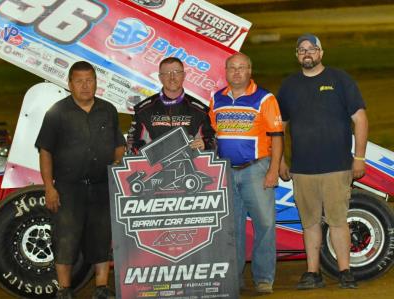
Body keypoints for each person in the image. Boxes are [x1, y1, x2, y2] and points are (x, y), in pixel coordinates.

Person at [277, 34, 368, 290]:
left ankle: (345, 271)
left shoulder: (339, 79)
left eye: (312, 49)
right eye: (302, 50)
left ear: (321, 53)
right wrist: (280, 160)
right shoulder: (289, 86)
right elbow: (279, 127)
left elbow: (360, 119)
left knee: (339, 221)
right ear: (297, 55)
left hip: (337, 166)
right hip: (303, 170)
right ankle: (312, 273)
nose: (307, 53)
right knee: (310, 223)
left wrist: (359, 158)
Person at [35, 61, 125, 299]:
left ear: (96, 82)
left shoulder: (108, 110)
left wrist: (117, 165)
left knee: (101, 238)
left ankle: (102, 287)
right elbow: (45, 151)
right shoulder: (57, 113)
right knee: (66, 238)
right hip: (67, 189)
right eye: (79, 81)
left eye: (90, 80)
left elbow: (119, 145)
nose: (85, 85)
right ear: (70, 84)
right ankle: (64, 290)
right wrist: (49, 188)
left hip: (101, 187)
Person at [209, 53, 283, 294]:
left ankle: (263, 278)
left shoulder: (264, 98)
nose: (237, 72)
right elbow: (211, 134)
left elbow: (277, 136)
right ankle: (235, 277)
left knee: (265, 224)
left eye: (242, 68)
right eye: (232, 68)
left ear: (250, 70)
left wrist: (273, 170)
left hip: (256, 169)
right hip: (227, 171)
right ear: (226, 71)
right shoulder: (216, 98)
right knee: (232, 228)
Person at [127, 57, 215, 153]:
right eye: (167, 73)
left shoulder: (199, 110)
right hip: (154, 167)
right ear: (160, 77)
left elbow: (212, 141)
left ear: (184, 75)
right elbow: (131, 143)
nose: (172, 77)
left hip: (190, 166)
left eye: (176, 72)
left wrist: (205, 144)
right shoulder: (143, 109)